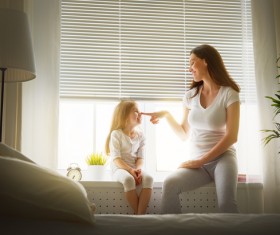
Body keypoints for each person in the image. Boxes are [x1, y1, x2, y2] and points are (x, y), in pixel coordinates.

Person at [142, 44, 240, 214]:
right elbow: (183, 134)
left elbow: (232, 136)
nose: (189, 68)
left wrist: (200, 161)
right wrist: (166, 115)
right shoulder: (190, 96)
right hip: (198, 163)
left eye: (193, 62)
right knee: (170, 183)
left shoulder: (229, 93)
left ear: (206, 61)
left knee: (227, 205)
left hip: (223, 159)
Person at [105, 100, 154, 215]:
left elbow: (140, 158)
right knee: (128, 180)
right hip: (119, 168)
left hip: (134, 167)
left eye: (140, 111)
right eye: (136, 111)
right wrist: (131, 170)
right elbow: (116, 159)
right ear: (125, 115)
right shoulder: (116, 134)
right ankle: (139, 216)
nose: (140, 114)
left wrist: (137, 169)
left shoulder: (141, 135)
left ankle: (139, 216)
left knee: (149, 179)